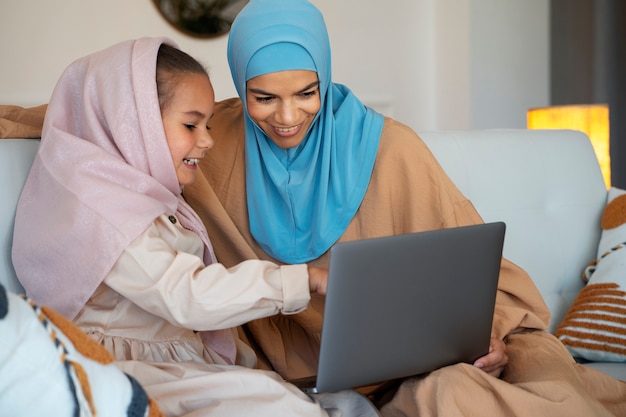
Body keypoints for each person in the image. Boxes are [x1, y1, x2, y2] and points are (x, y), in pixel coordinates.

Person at [182, 0, 626, 415]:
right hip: (284, 373)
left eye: (306, 93)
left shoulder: (390, 147)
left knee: (481, 387)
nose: (287, 117)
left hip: (417, 362)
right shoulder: (207, 146)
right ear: (241, 85)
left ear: (325, 76)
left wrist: (490, 336)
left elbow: (470, 267)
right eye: (264, 98)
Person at [12, 37, 379, 417]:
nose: (206, 141)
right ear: (134, 124)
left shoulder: (138, 195)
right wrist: (301, 281)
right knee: (275, 402)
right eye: (191, 124)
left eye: (208, 124)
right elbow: (187, 296)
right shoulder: (104, 212)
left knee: (277, 394)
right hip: (124, 370)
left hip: (173, 358)